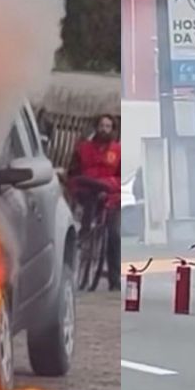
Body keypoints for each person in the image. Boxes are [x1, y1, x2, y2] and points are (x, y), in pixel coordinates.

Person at [68, 114, 121, 289]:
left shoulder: (118, 151)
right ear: (96, 127)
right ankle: (84, 234)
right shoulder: (83, 148)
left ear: (112, 129)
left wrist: (110, 187)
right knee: (88, 192)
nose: (104, 129)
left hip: (110, 196)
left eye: (108, 126)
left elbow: (122, 177)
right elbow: (73, 173)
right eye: (102, 126)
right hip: (87, 192)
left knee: (113, 234)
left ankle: (114, 281)